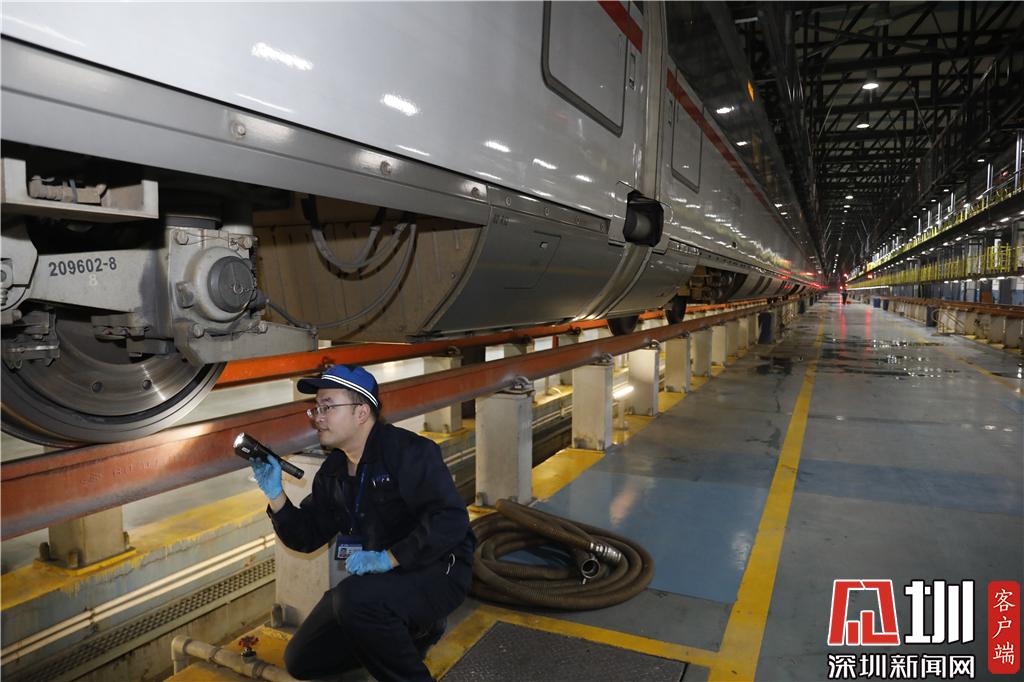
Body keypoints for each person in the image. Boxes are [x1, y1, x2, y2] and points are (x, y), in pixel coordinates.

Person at [249, 364, 476, 682]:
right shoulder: (333, 472)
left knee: (354, 600)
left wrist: (390, 558)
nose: (318, 417)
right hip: (379, 580)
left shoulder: (408, 452)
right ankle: (402, 633)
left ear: (361, 412)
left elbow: (450, 519)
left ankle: (418, 639)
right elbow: (306, 537)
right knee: (301, 660)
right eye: (316, 408)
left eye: (328, 406)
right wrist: (276, 496)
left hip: (436, 570)